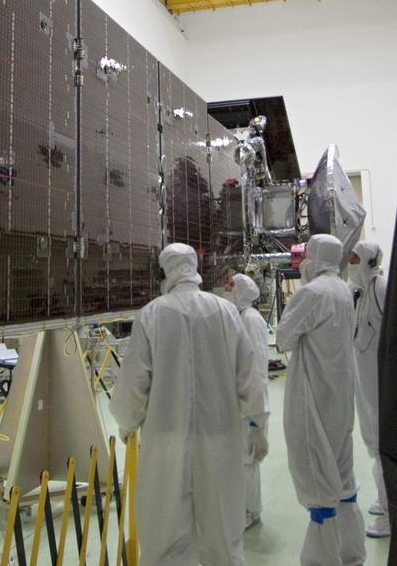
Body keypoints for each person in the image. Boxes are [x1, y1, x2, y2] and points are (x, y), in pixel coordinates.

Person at [111, 243, 269, 566]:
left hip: (166, 440)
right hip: (221, 437)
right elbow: (248, 375)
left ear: (165, 270)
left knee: (166, 535)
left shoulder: (152, 315)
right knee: (223, 534)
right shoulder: (225, 312)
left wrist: (127, 423)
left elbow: (134, 383)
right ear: (194, 267)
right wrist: (257, 422)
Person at [276, 233, 367, 566]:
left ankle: (323, 560)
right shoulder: (343, 290)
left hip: (314, 397)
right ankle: (351, 554)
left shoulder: (312, 293)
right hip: (340, 397)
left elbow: (284, 338)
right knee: (343, 478)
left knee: (317, 477)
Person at [348, 240, 390, 538]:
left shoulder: (381, 288)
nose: (350, 261)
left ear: (369, 261)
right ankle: (384, 497)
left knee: (384, 444)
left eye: (354, 257)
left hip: (380, 380)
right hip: (364, 381)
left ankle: (391, 513)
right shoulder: (359, 293)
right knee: (372, 442)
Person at [226, 272, 271, 528]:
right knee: (242, 459)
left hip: (250, 404)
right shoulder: (240, 317)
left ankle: (251, 512)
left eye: (231, 284)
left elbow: (256, 369)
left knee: (248, 460)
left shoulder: (250, 320)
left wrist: (256, 417)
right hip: (242, 402)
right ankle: (244, 508)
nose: (226, 288)